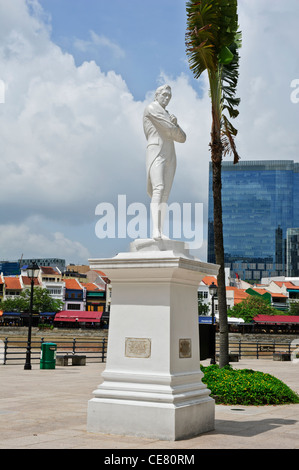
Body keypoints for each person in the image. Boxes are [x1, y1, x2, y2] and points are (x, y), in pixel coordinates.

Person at [143, 85, 186, 240]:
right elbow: (168, 127)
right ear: (157, 95)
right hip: (156, 151)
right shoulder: (151, 108)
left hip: (170, 154)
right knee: (158, 189)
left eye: (169, 96)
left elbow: (182, 138)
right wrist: (174, 125)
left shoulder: (169, 115)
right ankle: (155, 230)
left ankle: (161, 230)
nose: (167, 98)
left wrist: (176, 125)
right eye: (164, 95)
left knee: (165, 194)